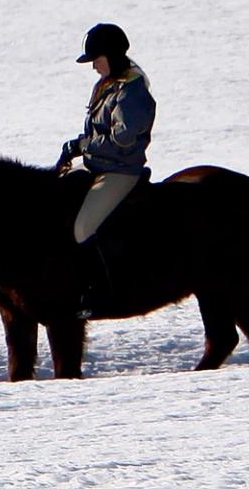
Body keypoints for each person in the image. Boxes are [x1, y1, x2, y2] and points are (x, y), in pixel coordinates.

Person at [55, 21, 154, 309]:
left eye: (96, 60)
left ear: (111, 56)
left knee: (84, 226)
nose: (94, 67)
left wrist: (83, 146)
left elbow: (122, 139)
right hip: (98, 166)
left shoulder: (131, 92)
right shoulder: (109, 86)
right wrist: (75, 146)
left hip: (120, 170)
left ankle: (97, 291)